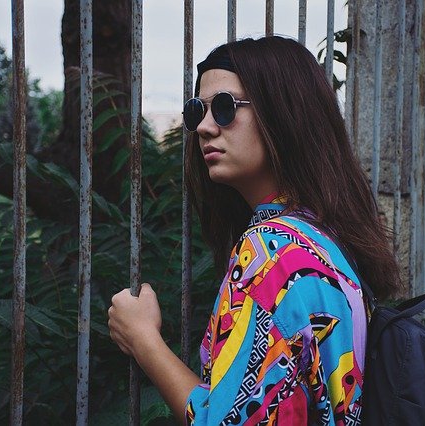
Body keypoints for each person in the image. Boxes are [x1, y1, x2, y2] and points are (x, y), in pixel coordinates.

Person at [108, 35, 401, 425]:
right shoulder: (326, 237)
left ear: (284, 112)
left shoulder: (272, 254)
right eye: (197, 111)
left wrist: (144, 340)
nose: (204, 127)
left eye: (225, 107)